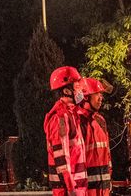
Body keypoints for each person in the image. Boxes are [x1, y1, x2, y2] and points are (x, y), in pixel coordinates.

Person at [45, 66, 87, 196]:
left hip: (75, 188)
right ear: (67, 91)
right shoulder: (61, 117)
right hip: (68, 190)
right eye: (77, 86)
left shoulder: (71, 114)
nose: (81, 89)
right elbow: (61, 157)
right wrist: (71, 189)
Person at [75, 78, 112, 196]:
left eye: (101, 94)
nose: (101, 98)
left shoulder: (100, 120)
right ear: (86, 96)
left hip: (104, 188)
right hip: (86, 189)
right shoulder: (77, 121)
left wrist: (109, 178)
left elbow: (107, 154)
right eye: (97, 94)